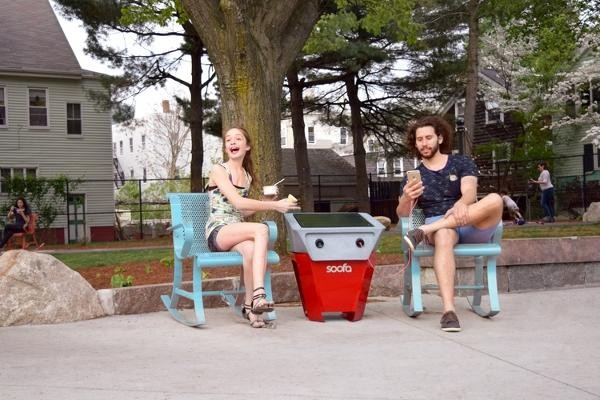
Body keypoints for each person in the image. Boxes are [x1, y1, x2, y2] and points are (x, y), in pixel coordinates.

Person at [396, 116, 503, 332]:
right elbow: (402, 214)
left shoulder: (461, 162)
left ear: (440, 138)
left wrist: (462, 203)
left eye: (428, 137)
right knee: (444, 233)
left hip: (469, 220)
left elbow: (470, 192)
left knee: (495, 199)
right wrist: (407, 197)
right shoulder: (414, 177)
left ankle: (425, 230)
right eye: (419, 140)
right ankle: (448, 311)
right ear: (415, 143)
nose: (424, 143)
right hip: (441, 227)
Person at [205, 127, 300, 328]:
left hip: (235, 228)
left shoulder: (247, 176)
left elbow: (241, 213)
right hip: (218, 230)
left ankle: (249, 308)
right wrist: (274, 205)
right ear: (226, 147)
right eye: (228, 139)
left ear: (246, 146)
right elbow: (238, 203)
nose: (232, 142)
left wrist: (264, 200)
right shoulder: (219, 170)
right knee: (261, 230)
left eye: (238, 139)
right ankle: (259, 294)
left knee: (250, 250)